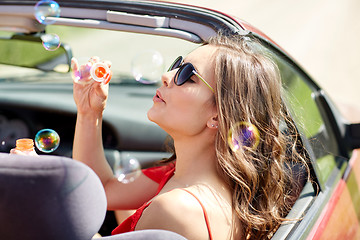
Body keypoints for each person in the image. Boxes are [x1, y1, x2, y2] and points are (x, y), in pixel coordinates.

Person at [72, 33, 308, 240]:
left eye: (187, 75)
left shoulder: (175, 210)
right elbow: (101, 189)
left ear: (218, 116)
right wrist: (89, 112)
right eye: (177, 65)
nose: (167, 75)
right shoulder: (197, 179)